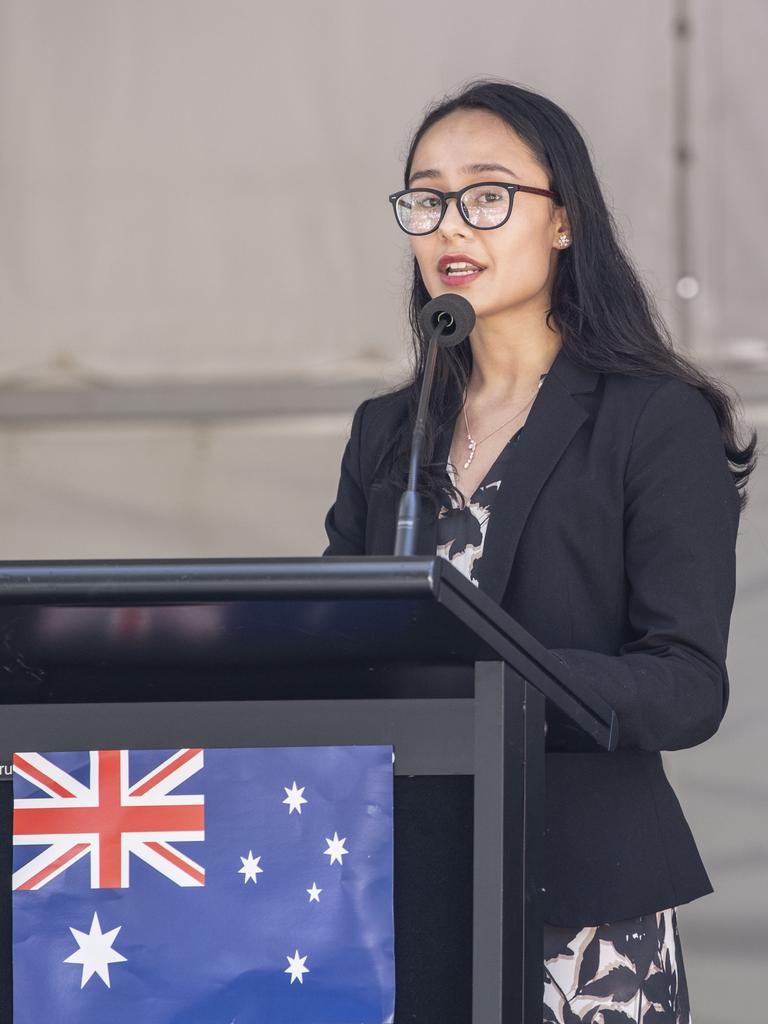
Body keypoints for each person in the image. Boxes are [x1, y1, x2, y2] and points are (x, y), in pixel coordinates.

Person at [323, 79, 757, 1024]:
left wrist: (502, 687)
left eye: (485, 195)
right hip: (394, 889)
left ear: (564, 222)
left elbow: (686, 682)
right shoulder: (386, 434)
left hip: (585, 899)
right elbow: (329, 648)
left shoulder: (653, 421)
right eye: (425, 199)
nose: (452, 226)